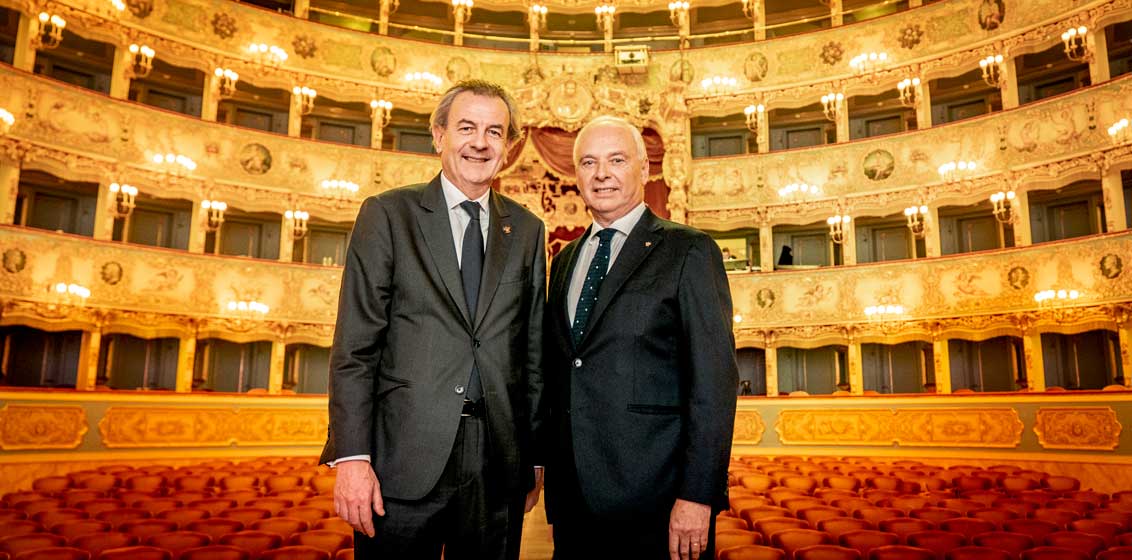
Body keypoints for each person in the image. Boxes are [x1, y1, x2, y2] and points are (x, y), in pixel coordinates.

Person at [321, 79, 546, 560]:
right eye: (467, 128)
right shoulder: (387, 215)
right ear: (439, 135)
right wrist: (352, 458)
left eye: (494, 131)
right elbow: (355, 349)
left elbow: (531, 355)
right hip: (401, 462)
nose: (480, 142)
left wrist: (533, 458)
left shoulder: (528, 230)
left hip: (497, 466)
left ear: (508, 146)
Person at [542, 116, 738, 560]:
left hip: (658, 504)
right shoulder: (565, 260)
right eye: (588, 162)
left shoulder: (689, 250)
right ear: (576, 175)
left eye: (616, 160)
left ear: (645, 169)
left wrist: (698, 496)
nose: (601, 174)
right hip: (573, 504)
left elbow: (714, 384)